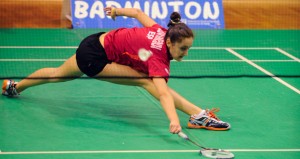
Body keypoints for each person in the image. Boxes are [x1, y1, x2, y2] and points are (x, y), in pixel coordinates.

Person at [2, 7, 230, 134]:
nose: (186, 53)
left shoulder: (162, 31)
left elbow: (139, 13)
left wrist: (117, 10)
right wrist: (173, 120)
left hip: (94, 42)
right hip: (94, 58)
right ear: (170, 43)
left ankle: (13, 86)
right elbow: (162, 93)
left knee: (56, 74)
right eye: (183, 49)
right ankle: (198, 116)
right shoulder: (158, 56)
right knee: (147, 81)